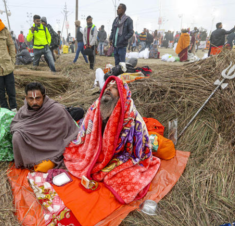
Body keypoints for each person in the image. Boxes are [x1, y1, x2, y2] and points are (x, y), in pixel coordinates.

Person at [63, 76, 162, 204]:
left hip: (121, 155)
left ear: (122, 93)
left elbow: (137, 146)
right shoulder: (95, 107)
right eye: (108, 86)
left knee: (127, 179)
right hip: (99, 150)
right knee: (75, 156)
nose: (109, 89)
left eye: (114, 88)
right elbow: (86, 133)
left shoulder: (130, 116)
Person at [10, 82, 79, 171]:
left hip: (53, 146)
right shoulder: (23, 110)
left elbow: (68, 131)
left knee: (43, 167)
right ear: (26, 98)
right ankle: (28, 161)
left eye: (38, 98)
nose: (34, 102)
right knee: (17, 136)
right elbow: (14, 124)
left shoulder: (56, 110)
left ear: (43, 96)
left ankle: (44, 159)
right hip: (32, 143)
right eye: (31, 99)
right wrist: (26, 130)